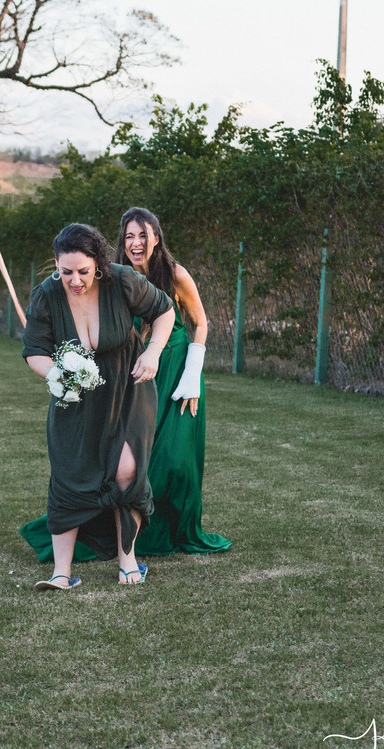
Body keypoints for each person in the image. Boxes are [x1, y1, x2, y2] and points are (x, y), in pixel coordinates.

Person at [18, 209, 231, 562]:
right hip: (119, 377)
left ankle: (160, 537)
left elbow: (188, 319)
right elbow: (38, 348)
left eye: (143, 235)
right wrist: (59, 374)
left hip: (164, 371)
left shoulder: (156, 276)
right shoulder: (79, 284)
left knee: (163, 463)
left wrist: (185, 368)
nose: (136, 242)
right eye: (129, 235)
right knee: (115, 465)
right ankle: (103, 541)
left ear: (156, 237)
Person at [20, 223, 175, 589]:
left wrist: (153, 352)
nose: (74, 280)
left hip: (127, 389)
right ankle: (61, 572)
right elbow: (34, 351)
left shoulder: (122, 280)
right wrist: (58, 376)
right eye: (66, 272)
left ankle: (128, 559)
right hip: (74, 397)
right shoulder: (46, 295)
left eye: (83, 271)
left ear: (99, 263)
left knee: (126, 470)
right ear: (56, 264)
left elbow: (164, 311)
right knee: (70, 473)